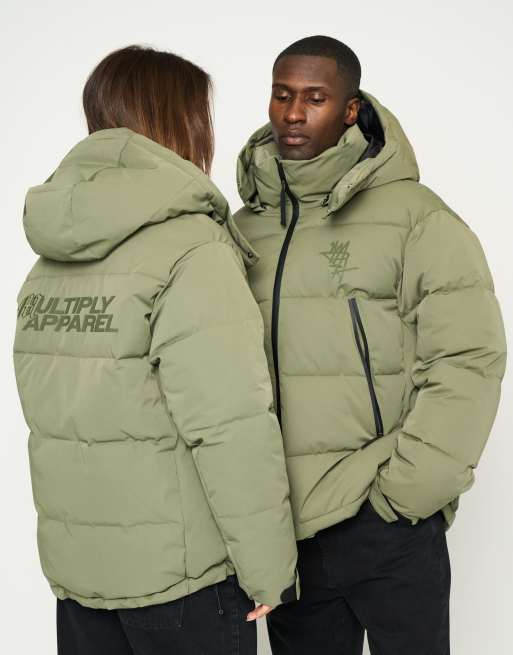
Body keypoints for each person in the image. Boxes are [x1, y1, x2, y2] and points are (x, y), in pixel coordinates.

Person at [13, 45, 298, 655]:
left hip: (80, 579)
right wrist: (270, 567)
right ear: (181, 122)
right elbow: (229, 425)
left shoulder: (50, 259)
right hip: (182, 583)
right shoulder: (191, 250)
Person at [233, 35, 507, 654]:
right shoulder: (244, 230)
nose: (293, 114)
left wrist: (404, 495)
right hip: (287, 538)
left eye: (315, 98)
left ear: (350, 110)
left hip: (386, 524)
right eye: (282, 95)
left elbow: (467, 360)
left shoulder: (416, 217)